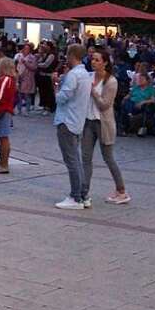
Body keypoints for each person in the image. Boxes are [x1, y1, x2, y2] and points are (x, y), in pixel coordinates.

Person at [82, 50, 130, 206]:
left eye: (97, 60)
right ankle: (83, 192)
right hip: (88, 122)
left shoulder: (111, 81)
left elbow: (105, 105)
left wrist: (93, 91)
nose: (93, 62)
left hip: (103, 123)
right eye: (92, 59)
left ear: (105, 62)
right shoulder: (88, 76)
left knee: (108, 158)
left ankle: (121, 191)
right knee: (86, 158)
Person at [54, 43, 93, 210]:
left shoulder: (73, 75)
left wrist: (56, 85)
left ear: (71, 56)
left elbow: (61, 98)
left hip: (67, 120)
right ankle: (83, 194)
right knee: (76, 159)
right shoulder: (85, 74)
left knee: (71, 160)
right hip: (77, 120)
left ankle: (75, 196)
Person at [121, 72, 155, 136]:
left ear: (147, 81)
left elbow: (153, 100)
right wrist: (124, 99)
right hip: (132, 103)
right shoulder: (135, 87)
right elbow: (128, 96)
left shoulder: (151, 89)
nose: (139, 80)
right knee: (127, 102)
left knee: (129, 106)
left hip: (142, 105)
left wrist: (143, 102)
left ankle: (129, 116)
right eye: (139, 79)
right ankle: (127, 120)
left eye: (142, 79)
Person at [16, 43, 38, 115]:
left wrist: (25, 63)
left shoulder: (32, 57)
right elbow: (16, 65)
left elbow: (34, 67)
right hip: (19, 76)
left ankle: (27, 110)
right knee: (19, 94)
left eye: (27, 49)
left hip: (28, 77)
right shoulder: (19, 56)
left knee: (26, 94)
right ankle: (19, 109)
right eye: (24, 48)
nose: (25, 50)